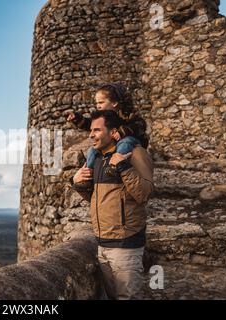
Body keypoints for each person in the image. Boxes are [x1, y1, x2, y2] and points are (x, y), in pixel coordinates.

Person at [70, 110, 154, 300]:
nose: (91, 135)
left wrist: (123, 167)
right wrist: (76, 182)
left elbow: (144, 193)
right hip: (102, 243)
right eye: (91, 130)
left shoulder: (135, 153)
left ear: (113, 131)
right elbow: (95, 197)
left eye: (97, 130)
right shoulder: (98, 159)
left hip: (126, 244)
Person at [66, 83, 149, 180]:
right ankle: (88, 173)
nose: (98, 106)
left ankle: (115, 167)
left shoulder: (127, 113)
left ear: (114, 103)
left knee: (124, 142)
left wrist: (122, 132)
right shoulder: (105, 116)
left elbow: (139, 124)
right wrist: (77, 118)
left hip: (132, 141)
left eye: (101, 102)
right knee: (92, 150)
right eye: (97, 103)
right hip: (114, 142)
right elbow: (91, 125)